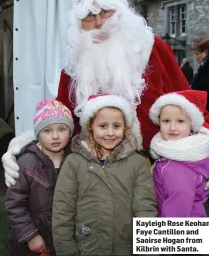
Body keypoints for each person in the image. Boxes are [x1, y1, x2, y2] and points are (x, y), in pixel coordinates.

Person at [2, 0, 209, 190]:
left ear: (120, 13)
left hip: (156, 166)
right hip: (96, 171)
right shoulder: (75, 64)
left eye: (105, 12)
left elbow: (188, 101)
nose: (98, 23)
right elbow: (60, 115)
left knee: (160, 224)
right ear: (78, 24)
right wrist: (28, 147)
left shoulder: (151, 48)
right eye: (88, 17)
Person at [52, 94, 157, 255]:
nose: (110, 133)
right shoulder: (74, 163)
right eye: (102, 126)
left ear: (125, 128)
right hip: (86, 248)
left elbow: (145, 210)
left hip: (124, 248)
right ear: (90, 127)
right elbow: (63, 211)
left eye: (116, 126)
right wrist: (67, 250)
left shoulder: (138, 163)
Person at [5, 99, 74, 256]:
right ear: (38, 133)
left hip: (61, 242)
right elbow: (14, 205)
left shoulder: (75, 161)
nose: (55, 136)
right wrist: (30, 236)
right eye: (47, 130)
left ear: (70, 132)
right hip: (26, 246)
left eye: (62, 129)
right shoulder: (26, 163)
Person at [149, 90, 209, 217]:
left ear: (192, 125)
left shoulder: (177, 168)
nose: (172, 127)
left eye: (180, 121)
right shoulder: (195, 152)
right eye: (166, 121)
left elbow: (177, 215)